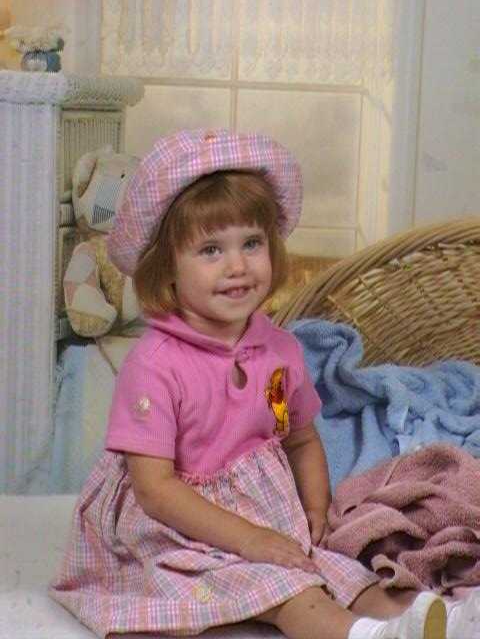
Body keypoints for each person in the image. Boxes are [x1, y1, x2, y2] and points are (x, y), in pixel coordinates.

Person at [50, 129, 476, 639]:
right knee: (289, 591)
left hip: (266, 515)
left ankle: (440, 620)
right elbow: (155, 490)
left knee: (344, 573)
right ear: (167, 269)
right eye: (211, 250)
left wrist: (316, 507)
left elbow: (299, 438)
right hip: (179, 528)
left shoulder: (278, 351)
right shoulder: (155, 365)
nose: (237, 266)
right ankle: (365, 637)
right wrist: (250, 539)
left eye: (251, 243)